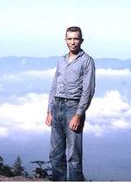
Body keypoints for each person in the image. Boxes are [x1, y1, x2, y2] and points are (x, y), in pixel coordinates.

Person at [45, 26, 96, 181]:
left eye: (76, 38)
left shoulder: (87, 61)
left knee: (73, 155)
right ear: (65, 40)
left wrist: (78, 115)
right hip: (57, 107)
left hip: (73, 109)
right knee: (55, 153)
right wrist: (49, 111)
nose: (72, 42)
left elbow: (88, 91)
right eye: (69, 38)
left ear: (81, 40)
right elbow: (54, 86)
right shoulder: (61, 60)